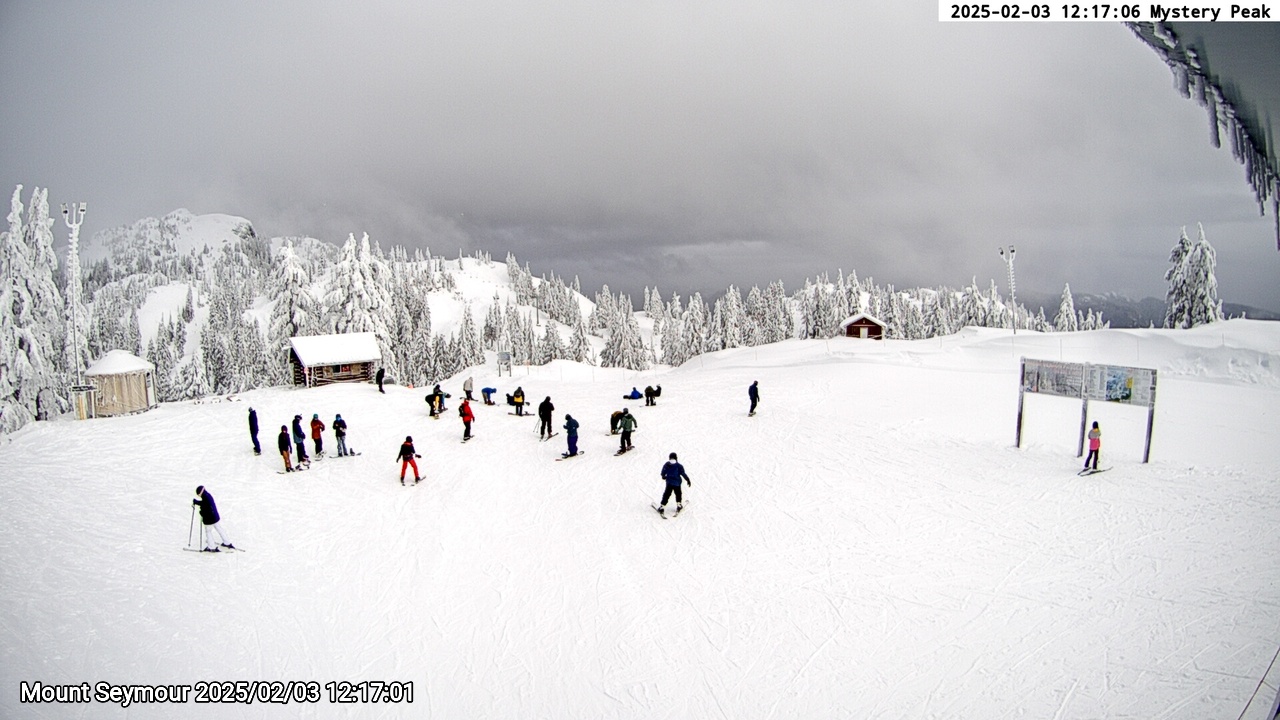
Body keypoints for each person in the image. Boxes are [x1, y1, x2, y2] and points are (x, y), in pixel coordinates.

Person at [193, 485, 235, 552]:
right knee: (219, 528)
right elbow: (204, 503)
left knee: (208, 531)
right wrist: (197, 502)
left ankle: (211, 547)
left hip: (210, 520)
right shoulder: (208, 495)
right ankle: (227, 542)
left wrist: (201, 512)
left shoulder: (205, 498)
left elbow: (204, 509)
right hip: (215, 517)